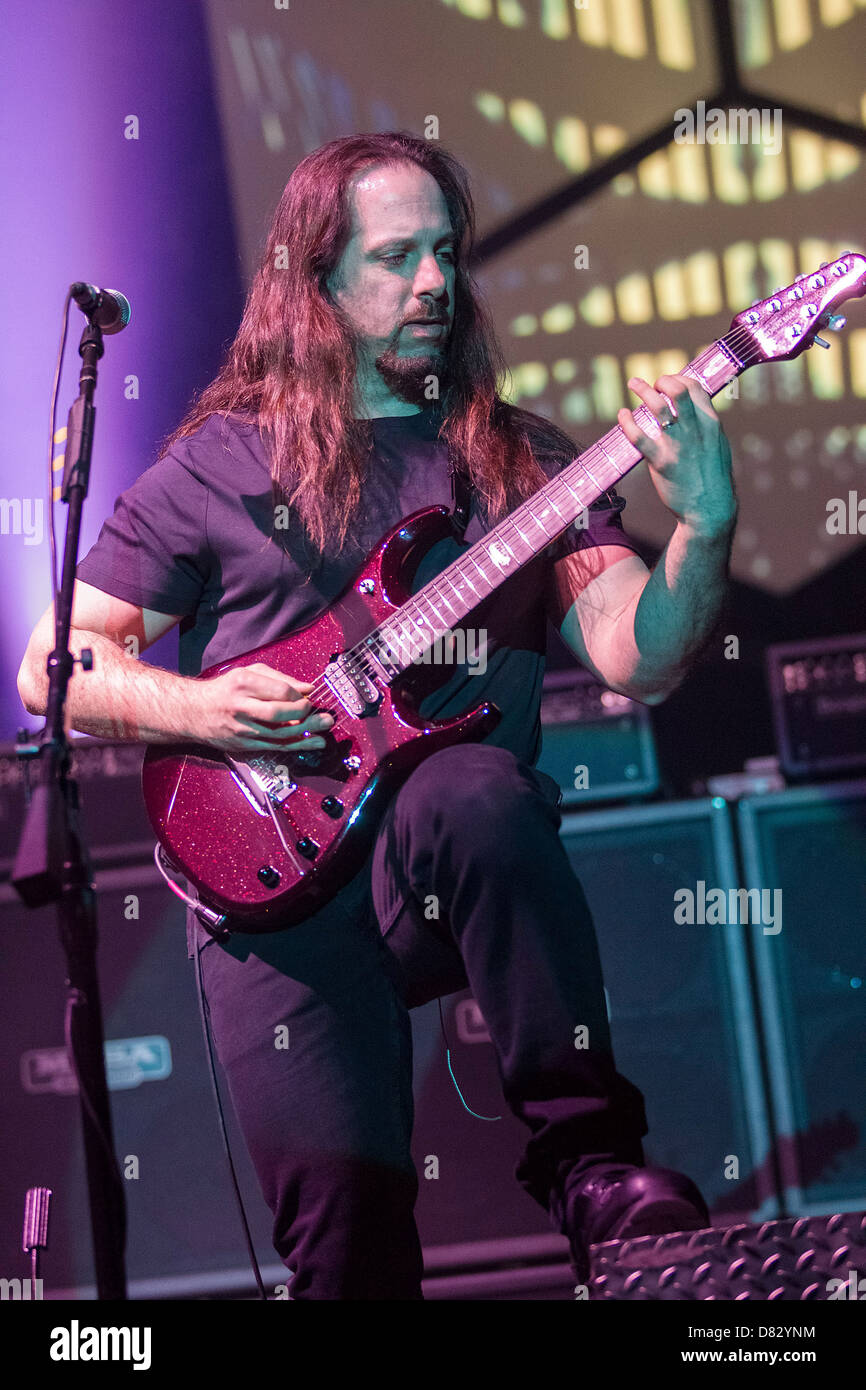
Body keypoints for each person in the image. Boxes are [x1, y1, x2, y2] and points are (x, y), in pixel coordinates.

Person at [18, 132, 738, 1300]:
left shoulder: (515, 460)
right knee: (345, 1255)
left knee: (474, 792)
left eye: (444, 252)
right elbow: (57, 664)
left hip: (436, 864)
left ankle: (591, 1165)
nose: (433, 284)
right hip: (263, 889)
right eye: (394, 257)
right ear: (312, 283)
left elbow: (633, 654)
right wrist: (199, 709)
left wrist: (701, 528)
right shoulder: (221, 465)